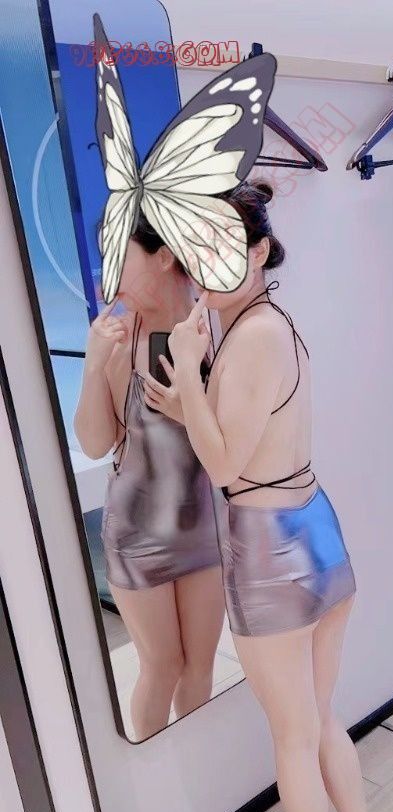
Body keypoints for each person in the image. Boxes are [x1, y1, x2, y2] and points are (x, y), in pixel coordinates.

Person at [167, 179, 386, 812]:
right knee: (319, 717)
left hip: (268, 552)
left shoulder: (251, 335)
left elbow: (225, 466)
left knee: (293, 734)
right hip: (315, 530)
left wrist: (186, 367)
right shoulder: (266, 324)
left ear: (259, 251)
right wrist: (193, 394)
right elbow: (249, 434)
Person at [74, 215, 226, 742]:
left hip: (205, 529)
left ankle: (194, 768)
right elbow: (96, 443)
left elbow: (237, 442)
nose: (107, 273)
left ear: (163, 256)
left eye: (120, 257)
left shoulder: (216, 329)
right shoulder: (118, 340)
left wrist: (193, 401)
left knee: (200, 667)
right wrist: (94, 365)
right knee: (162, 666)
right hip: (137, 536)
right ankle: (154, 768)